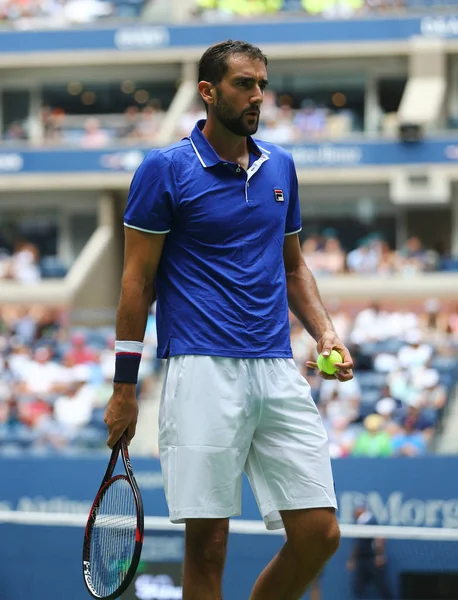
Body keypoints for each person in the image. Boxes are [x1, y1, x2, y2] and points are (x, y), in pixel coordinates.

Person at [104, 40, 354, 600]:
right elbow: (136, 284)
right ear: (209, 92)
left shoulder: (281, 165)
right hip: (200, 370)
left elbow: (293, 268)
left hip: (276, 369)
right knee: (208, 547)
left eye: (262, 83)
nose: (258, 95)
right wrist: (124, 389)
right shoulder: (164, 170)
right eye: (245, 83)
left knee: (320, 534)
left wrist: (325, 331)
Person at [347, 505, 394, 599]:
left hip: (372, 560)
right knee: (358, 588)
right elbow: (358, 544)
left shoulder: (372, 521)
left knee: (382, 586)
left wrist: (379, 555)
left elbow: (380, 539)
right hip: (361, 560)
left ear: (362, 509)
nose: (354, 511)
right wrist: (352, 559)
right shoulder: (359, 522)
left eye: (357, 509)